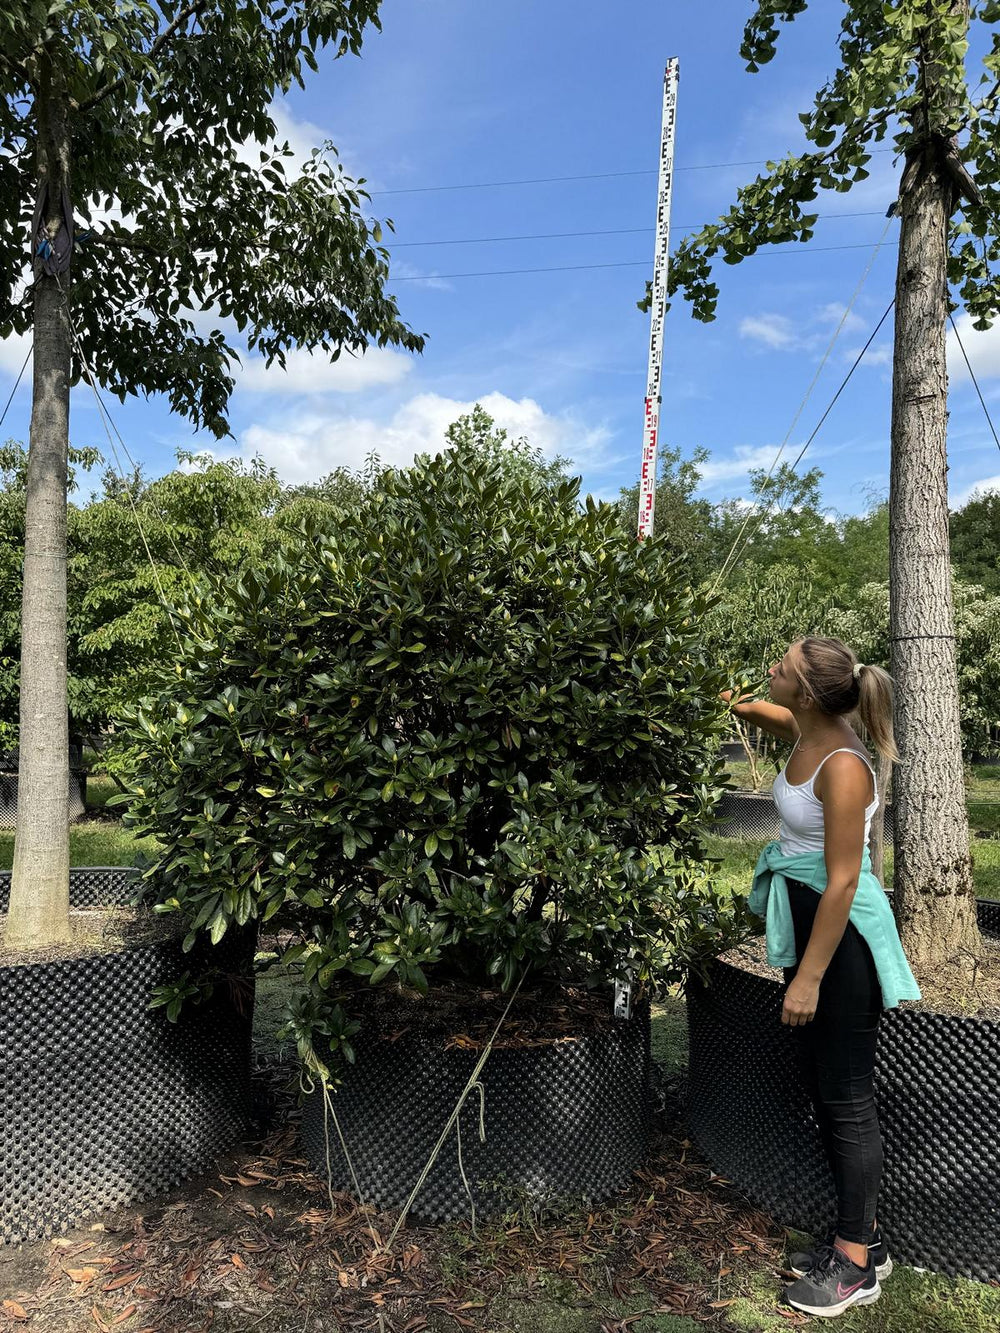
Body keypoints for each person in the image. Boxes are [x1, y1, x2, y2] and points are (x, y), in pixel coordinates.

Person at [723, 636, 920, 1319]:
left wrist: (806, 979)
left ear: (806, 691)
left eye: (780, 666)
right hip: (813, 931)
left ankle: (857, 1265)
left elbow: (842, 881)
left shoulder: (843, 765)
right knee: (827, 1088)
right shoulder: (806, 725)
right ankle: (860, 1236)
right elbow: (763, 715)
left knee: (846, 1098)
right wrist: (729, 700)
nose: (770, 668)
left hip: (844, 942)